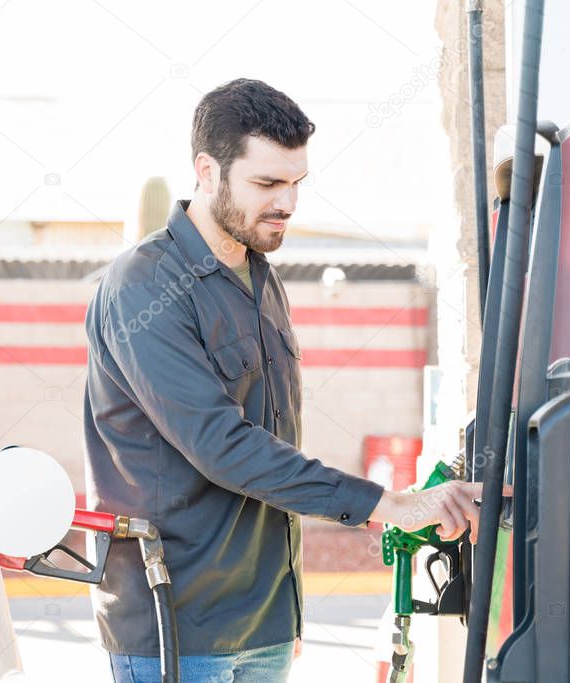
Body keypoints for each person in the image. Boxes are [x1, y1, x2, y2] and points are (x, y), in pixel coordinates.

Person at [83, 78, 497, 682]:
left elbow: (277, 443)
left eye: (296, 183)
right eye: (267, 183)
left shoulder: (261, 278)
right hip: (177, 631)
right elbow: (224, 446)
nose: (288, 203)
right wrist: (391, 506)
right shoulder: (144, 287)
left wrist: (290, 612)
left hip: (266, 624)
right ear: (207, 170)